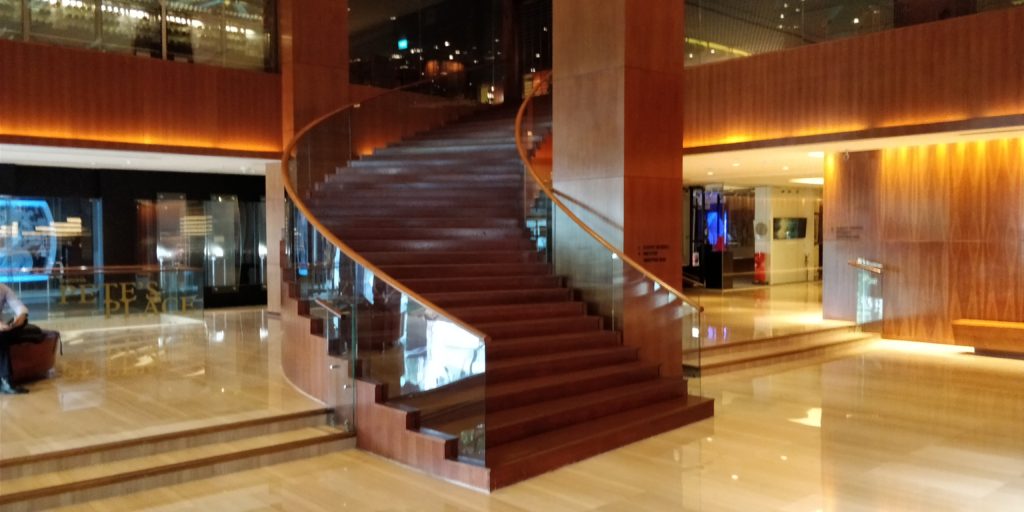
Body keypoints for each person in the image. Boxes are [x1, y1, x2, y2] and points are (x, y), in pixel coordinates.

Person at [0, 283, 30, 394]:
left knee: (24, 321)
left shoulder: (2, 288)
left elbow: (17, 305)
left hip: (1, 328)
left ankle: (4, 381)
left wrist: (21, 316)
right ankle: (5, 380)